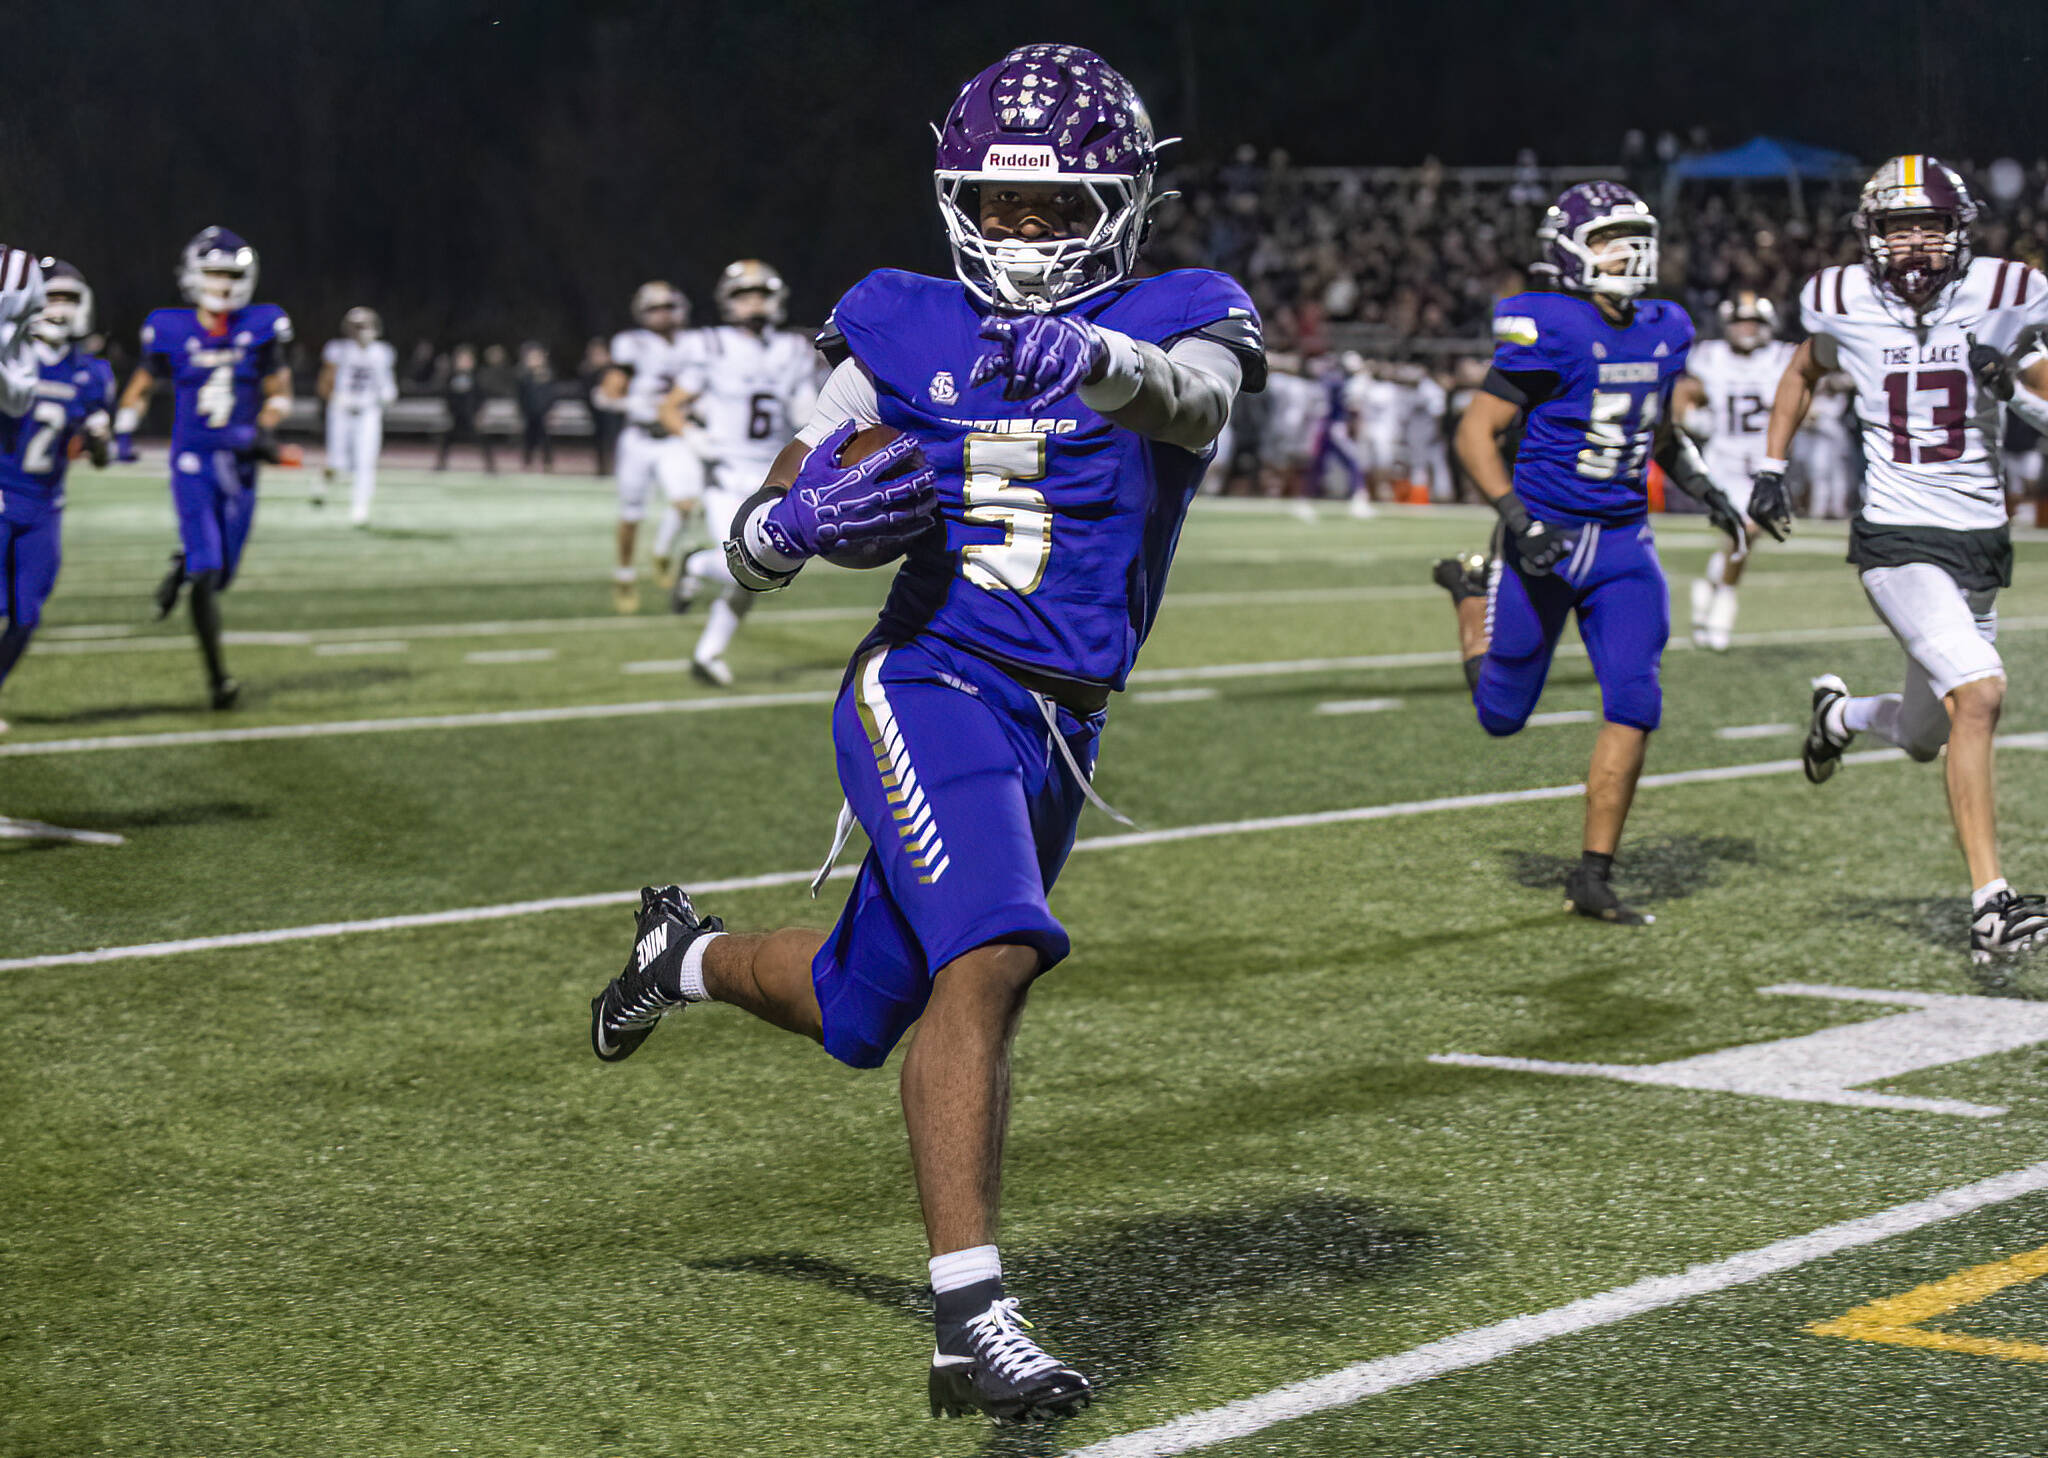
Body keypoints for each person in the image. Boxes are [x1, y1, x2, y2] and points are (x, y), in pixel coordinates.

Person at [585, 43, 1263, 1423]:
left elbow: (1199, 402)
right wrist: (781, 532)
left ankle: (687, 953)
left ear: (1119, 204)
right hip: (930, 676)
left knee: (857, 1006)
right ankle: (974, 1314)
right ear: (957, 199)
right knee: (995, 950)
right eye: (997, 208)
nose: (1018, 236)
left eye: (1053, 209)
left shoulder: (1182, 309)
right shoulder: (896, 319)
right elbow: (776, 505)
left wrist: (1103, 357)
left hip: (1060, 718)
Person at [1433, 182, 1756, 924]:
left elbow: (1661, 434)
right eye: (1611, 237)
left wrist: (1707, 490)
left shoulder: (1666, 327)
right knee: (1500, 717)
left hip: (1621, 542)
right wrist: (1517, 520)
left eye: (1635, 235)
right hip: (1544, 536)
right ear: (1569, 249)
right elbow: (1474, 434)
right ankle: (1468, 593)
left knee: (1636, 700)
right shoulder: (1547, 325)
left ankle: (1592, 875)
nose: (1629, 251)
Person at [1752, 156, 2048, 963]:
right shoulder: (1838, 298)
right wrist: (1771, 468)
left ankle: (1837, 716)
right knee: (1980, 695)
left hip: (1979, 542)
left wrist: (2011, 389)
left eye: (1930, 226)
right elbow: (1802, 369)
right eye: (1896, 227)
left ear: (1961, 233)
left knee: (1926, 734)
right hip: (1896, 537)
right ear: (1870, 234)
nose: (1914, 244)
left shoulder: (2006, 294)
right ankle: (1993, 903)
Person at [115, 227, 292, 710]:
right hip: (193, 460)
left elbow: (279, 392)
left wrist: (265, 428)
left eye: (231, 273)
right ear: (194, 274)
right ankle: (219, 679)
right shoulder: (168, 326)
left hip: (242, 462)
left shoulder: (263, 324)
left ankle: (182, 567)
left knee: (222, 575)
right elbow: (142, 384)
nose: (222, 282)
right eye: (214, 271)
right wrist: (123, 430)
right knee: (209, 570)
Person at [663, 259, 821, 684]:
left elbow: (806, 410)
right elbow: (670, 408)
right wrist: (695, 438)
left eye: (761, 294)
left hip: (773, 475)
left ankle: (707, 654)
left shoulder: (793, 349)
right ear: (727, 302)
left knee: (758, 574)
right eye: (743, 294)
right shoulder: (710, 344)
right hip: (727, 473)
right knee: (752, 565)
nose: (754, 302)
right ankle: (697, 566)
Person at [0, 259, 113, 733]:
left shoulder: (93, 373)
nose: (58, 307)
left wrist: (100, 438)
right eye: (51, 296)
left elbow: (102, 458)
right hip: (2, 496)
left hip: (46, 506)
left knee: (27, 615)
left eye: (68, 297)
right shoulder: (11, 355)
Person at [1670, 292, 1797, 649]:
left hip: (1765, 461)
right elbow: (1684, 390)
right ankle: (1725, 596)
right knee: (1747, 528)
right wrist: (1688, 419)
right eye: (1740, 322)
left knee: (1747, 532)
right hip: (1722, 459)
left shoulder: (1781, 358)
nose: (1746, 329)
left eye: (1753, 322)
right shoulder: (1709, 356)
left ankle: (1711, 584)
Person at [596, 282, 696, 612]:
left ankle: (662, 550)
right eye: (654, 308)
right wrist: (629, 402)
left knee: (684, 503)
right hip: (638, 438)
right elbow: (611, 390)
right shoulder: (632, 343)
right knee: (630, 515)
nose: (662, 314)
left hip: (672, 437)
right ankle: (624, 574)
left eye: (667, 306)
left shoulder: (693, 344)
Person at [317, 307, 397, 525]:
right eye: (358, 327)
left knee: (366, 461)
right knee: (337, 463)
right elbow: (325, 381)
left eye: (366, 326)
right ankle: (321, 485)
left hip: (368, 411)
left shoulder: (382, 352)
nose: (363, 331)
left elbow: (386, 382)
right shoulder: (338, 349)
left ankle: (360, 508)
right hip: (341, 410)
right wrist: (333, 399)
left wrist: (388, 393)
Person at [432, 343, 495, 474]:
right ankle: (441, 464)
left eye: (467, 360)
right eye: (461, 360)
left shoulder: (476, 378)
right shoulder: (451, 377)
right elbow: (447, 396)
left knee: (483, 440)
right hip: (456, 417)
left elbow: (481, 397)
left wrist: (479, 413)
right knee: (446, 439)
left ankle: (490, 466)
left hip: (471, 416)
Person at [580, 337, 620, 477]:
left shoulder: (613, 371)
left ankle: (616, 467)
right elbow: (585, 392)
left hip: (613, 412)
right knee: (599, 440)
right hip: (596, 412)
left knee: (614, 440)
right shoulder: (587, 370)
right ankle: (602, 468)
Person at [515, 341, 555, 471]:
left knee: (545, 440)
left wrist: (549, 409)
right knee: (528, 439)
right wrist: (522, 411)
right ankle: (528, 463)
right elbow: (520, 395)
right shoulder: (524, 376)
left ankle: (548, 463)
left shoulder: (548, 375)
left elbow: (551, 394)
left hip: (543, 413)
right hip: (529, 412)